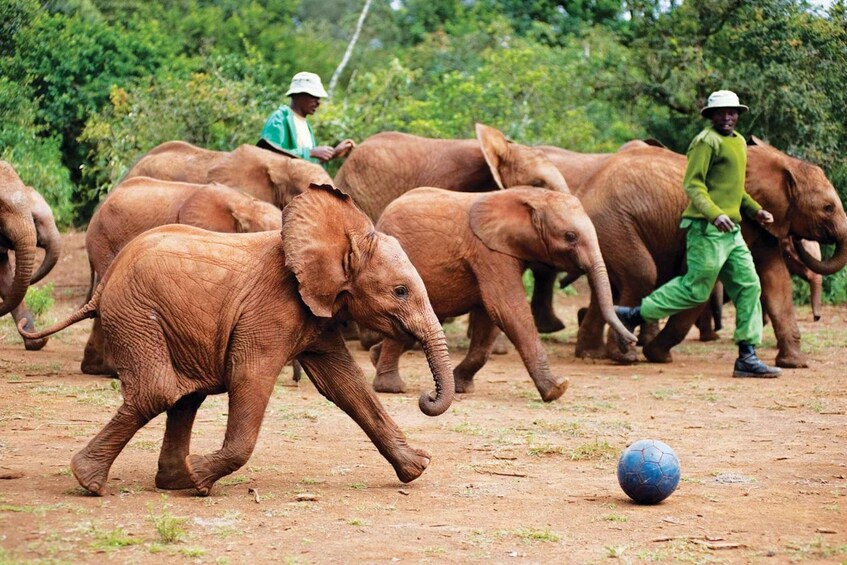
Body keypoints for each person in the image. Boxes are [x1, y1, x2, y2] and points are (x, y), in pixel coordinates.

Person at [614, 90, 782, 378]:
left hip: (732, 231)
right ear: (711, 115)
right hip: (707, 229)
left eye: (732, 112)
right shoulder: (705, 142)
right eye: (721, 112)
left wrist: (756, 211)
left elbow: (734, 189)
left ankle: (747, 355)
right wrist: (714, 214)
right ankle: (632, 315)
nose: (727, 117)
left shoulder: (739, 142)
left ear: (738, 114)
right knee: (695, 289)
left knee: (749, 285)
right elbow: (693, 186)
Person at [258, 71, 355, 164]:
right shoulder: (279, 119)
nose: (318, 103)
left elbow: (307, 166)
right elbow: (268, 156)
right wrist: (310, 152)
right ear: (298, 94)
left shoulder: (306, 126)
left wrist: (333, 153)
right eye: (314, 96)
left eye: (319, 98)